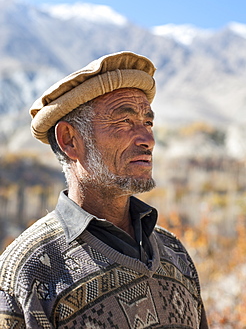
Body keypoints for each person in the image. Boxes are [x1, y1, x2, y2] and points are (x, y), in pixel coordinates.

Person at [0, 51, 209, 328]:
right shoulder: (28, 271)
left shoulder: (173, 251)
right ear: (70, 140)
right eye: (124, 121)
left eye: (148, 122)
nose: (148, 139)